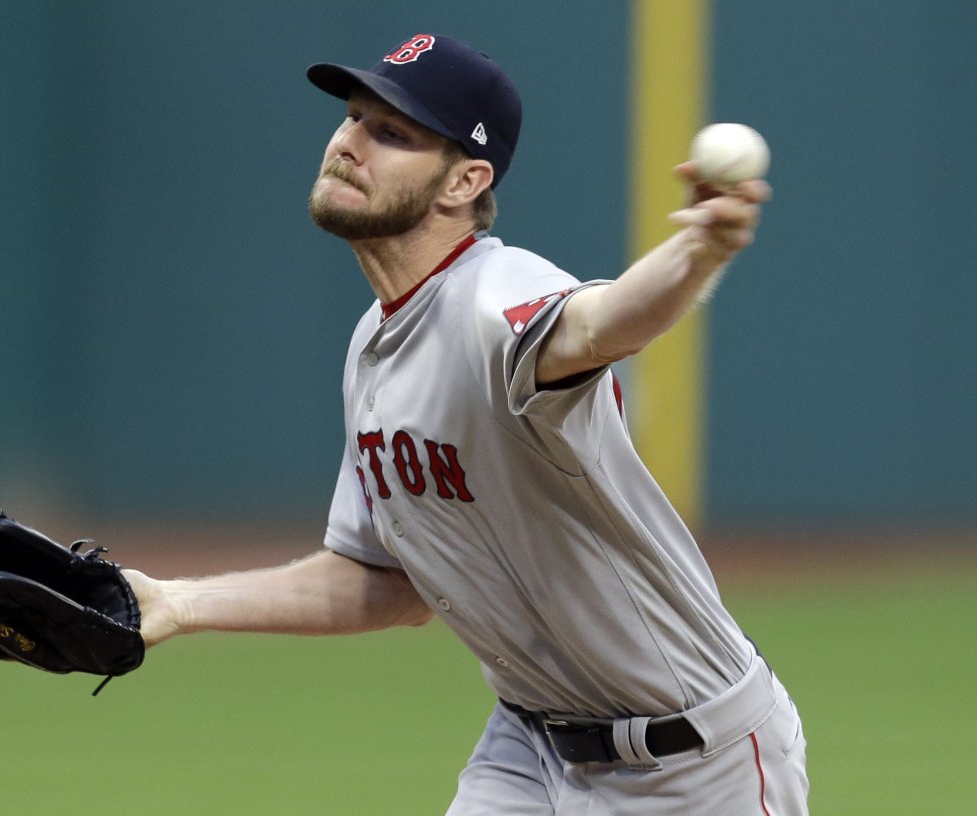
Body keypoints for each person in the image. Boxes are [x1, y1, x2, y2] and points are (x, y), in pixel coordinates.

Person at [126, 33, 809, 815]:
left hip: (690, 762)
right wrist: (179, 604)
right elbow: (381, 584)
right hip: (528, 748)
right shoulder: (372, 347)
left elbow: (599, 325)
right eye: (352, 118)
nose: (350, 143)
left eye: (393, 133)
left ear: (466, 181)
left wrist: (697, 250)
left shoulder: (495, 296)